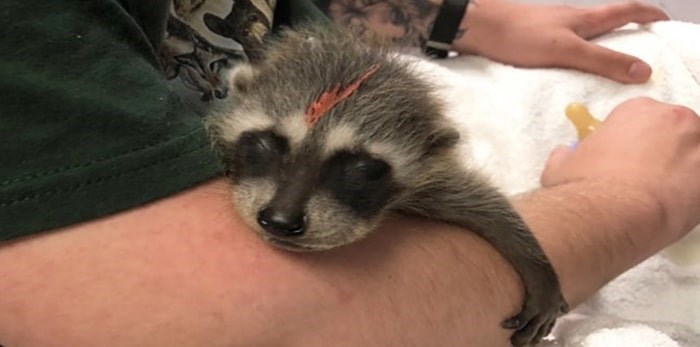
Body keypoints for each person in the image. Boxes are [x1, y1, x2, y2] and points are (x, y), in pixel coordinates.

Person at [1, 1, 698, 346]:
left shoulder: (426, 160)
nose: (283, 209)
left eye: (359, 171)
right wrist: (625, 202)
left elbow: (475, 203)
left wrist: (444, 15)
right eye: (266, 150)